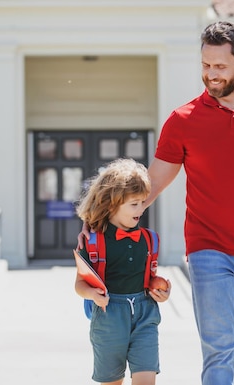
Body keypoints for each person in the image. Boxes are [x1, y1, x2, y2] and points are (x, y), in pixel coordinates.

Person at [81, 21, 234, 385]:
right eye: (205, 66)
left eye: (219, 67)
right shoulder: (183, 121)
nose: (210, 75)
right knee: (219, 348)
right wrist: (106, 221)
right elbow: (152, 183)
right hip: (208, 250)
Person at [74, 158, 171, 385]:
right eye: (134, 204)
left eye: (143, 202)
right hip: (109, 317)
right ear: (112, 205)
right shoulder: (92, 241)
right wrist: (91, 295)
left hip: (145, 314)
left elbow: (149, 279)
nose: (141, 209)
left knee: (146, 379)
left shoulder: (149, 239)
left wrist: (161, 290)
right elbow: (79, 284)